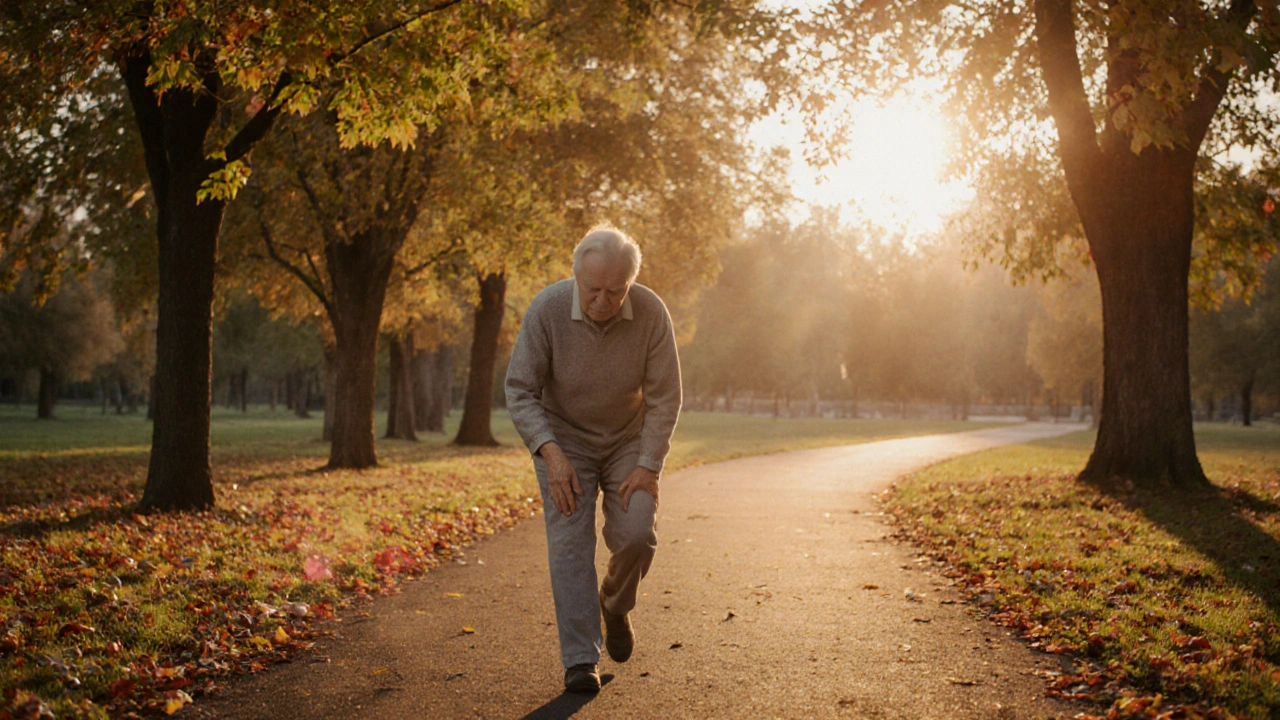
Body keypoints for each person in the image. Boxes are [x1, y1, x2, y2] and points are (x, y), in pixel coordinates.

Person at [505, 224, 682, 693]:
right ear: (576, 277)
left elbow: (665, 397)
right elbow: (520, 390)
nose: (603, 301)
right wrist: (549, 451)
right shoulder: (546, 309)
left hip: (628, 441)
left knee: (638, 534)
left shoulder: (650, 313)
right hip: (564, 443)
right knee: (570, 545)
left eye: (615, 290)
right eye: (593, 289)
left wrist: (649, 463)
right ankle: (580, 660)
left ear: (629, 283)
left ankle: (615, 606)